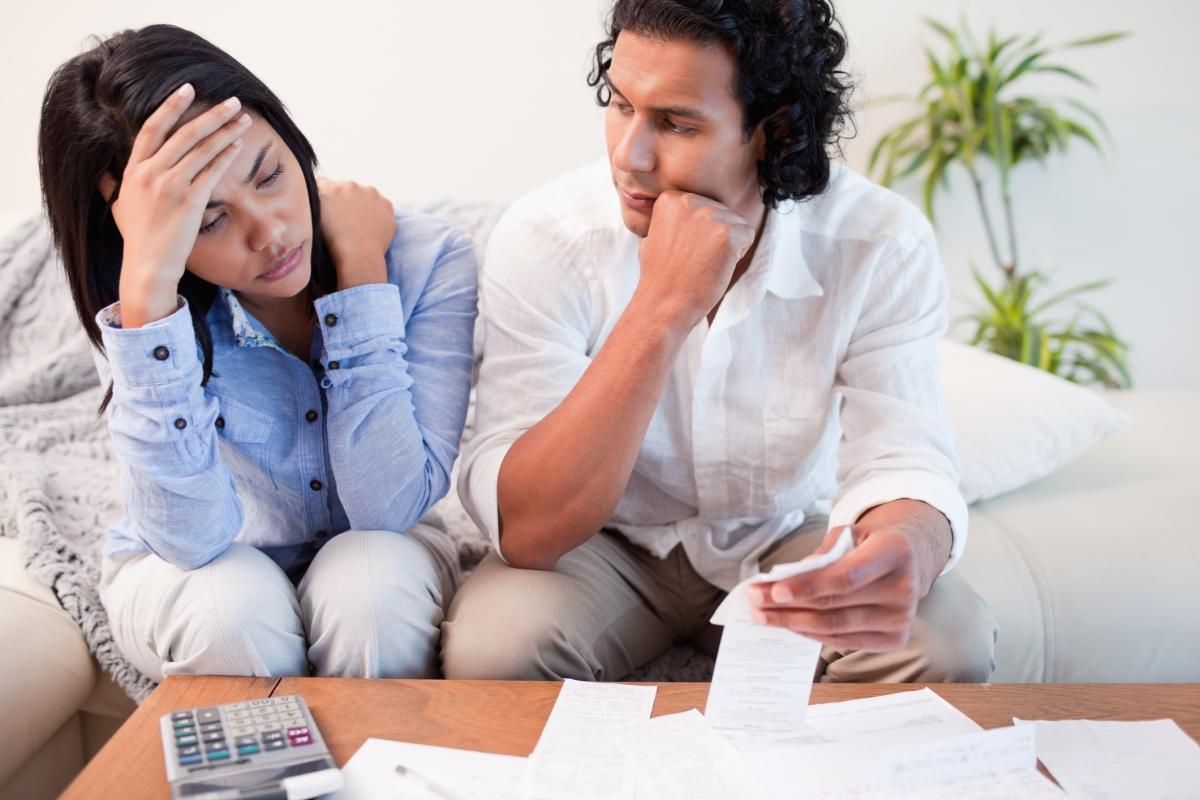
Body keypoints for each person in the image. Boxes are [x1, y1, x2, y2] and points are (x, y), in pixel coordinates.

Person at [444, 0, 997, 683]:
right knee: (495, 649)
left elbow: (904, 457)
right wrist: (662, 307)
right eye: (619, 105)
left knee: (946, 643)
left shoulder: (878, 241)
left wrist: (907, 546)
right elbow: (527, 529)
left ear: (774, 130)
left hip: (782, 537)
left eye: (676, 123)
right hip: (603, 548)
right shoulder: (548, 237)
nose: (628, 155)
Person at [38, 24, 477, 680]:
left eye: (269, 173)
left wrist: (361, 275)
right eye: (208, 221)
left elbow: (388, 508)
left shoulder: (427, 258)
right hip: (193, 573)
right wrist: (149, 297)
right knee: (232, 606)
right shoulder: (138, 302)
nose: (269, 232)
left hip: (382, 550)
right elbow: (191, 540)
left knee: (371, 584)